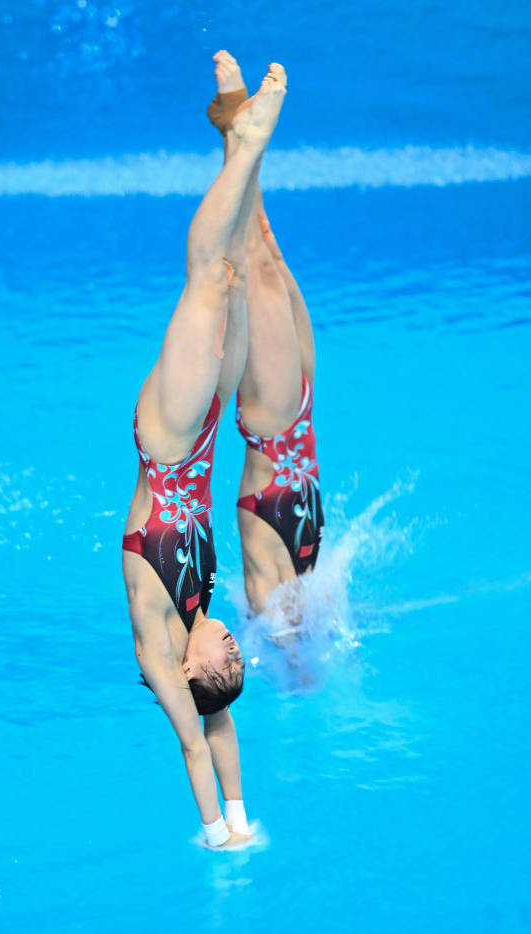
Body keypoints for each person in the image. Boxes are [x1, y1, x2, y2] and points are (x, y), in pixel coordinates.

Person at [122, 60, 287, 848]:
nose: (230, 637)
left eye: (224, 652)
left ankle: (248, 138)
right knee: (235, 284)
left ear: (188, 673)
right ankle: (231, 131)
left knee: (201, 279)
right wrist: (246, 814)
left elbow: (194, 737)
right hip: (207, 430)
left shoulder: (160, 641)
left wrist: (218, 830)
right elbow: (223, 729)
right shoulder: (199, 610)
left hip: (166, 441)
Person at [207, 51, 325, 622]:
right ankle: (238, 129)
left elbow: (265, 620)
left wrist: (281, 644)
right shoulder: (307, 574)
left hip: (273, 427)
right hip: (300, 408)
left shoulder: (267, 597)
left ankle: (237, 123)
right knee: (267, 248)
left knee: (250, 256)